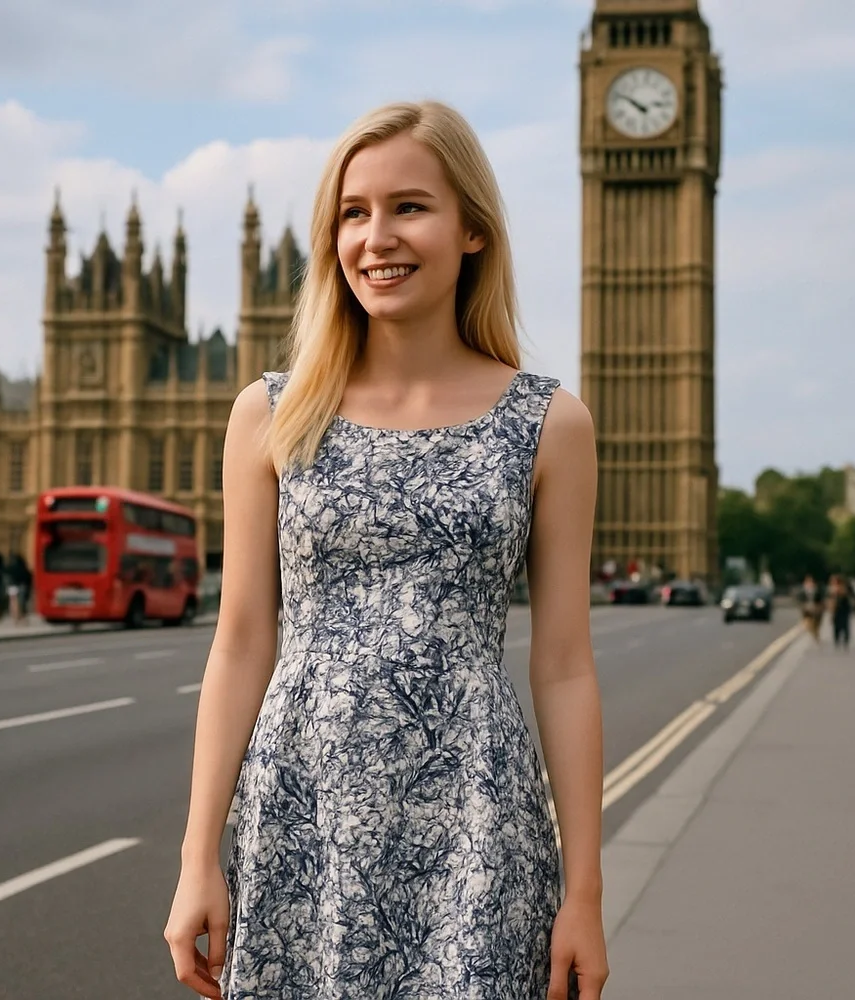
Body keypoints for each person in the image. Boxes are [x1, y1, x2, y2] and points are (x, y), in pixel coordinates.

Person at [164, 101, 608, 1000]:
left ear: (473, 230)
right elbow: (242, 641)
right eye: (353, 213)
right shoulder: (272, 414)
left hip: (476, 823)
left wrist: (585, 895)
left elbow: (563, 667)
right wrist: (196, 856)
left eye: (410, 206)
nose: (377, 237)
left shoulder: (549, 423)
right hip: (302, 815)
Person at [5, 551, 32, 625]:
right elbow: (28, 577)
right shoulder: (23, 568)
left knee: (12, 602)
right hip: (21, 585)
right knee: (21, 602)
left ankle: (15, 617)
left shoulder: (10, 567)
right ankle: (21, 616)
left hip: (12, 586)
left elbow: (6, 573)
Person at [828, 574, 853, 650]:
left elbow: (848, 596)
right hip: (836, 610)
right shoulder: (832, 589)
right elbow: (830, 599)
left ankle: (846, 640)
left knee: (845, 625)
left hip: (844, 609)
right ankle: (837, 639)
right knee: (836, 625)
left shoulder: (844, 588)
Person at [797, 573, 824, 642]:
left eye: (811, 582)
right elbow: (800, 601)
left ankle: (816, 634)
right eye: (807, 582)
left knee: (816, 625)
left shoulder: (817, 591)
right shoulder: (802, 592)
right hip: (807, 611)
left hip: (816, 611)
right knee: (808, 624)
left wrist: (818, 607)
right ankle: (814, 633)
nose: (809, 584)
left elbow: (821, 601)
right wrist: (804, 606)